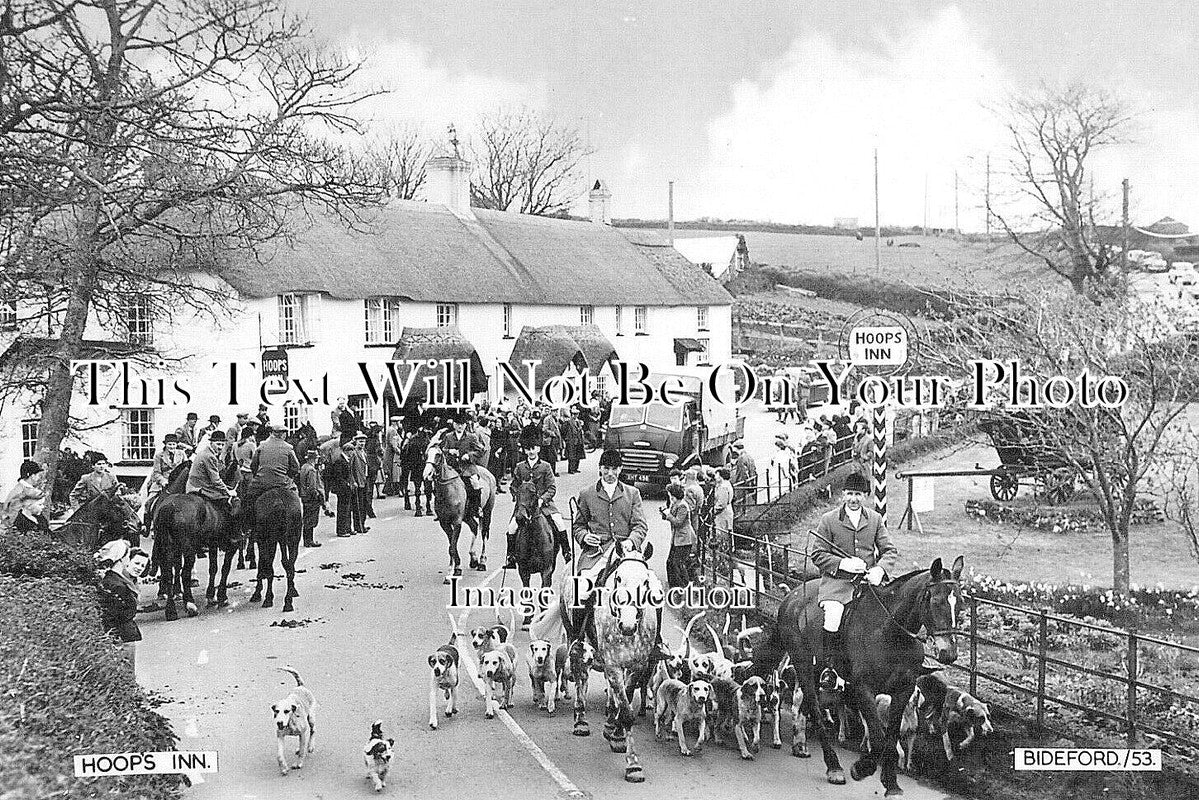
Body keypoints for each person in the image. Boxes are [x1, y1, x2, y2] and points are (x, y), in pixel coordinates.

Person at [530, 448, 649, 647]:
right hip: (597, 555)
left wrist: (630, 541)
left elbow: (640, 526)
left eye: (614, 469)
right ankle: (577, 640)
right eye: (606, 468)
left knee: (650, 588)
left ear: (620, 469)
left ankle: (655, 641)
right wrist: (585, 536)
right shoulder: (587, 494)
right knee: (581, 591)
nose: (610, 473)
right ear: (600, 468)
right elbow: (578, 526)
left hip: (626, 553)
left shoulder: (632, 493)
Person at [810, 471, 898, 690]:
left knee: (893, 610)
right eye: (849, 494)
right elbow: (817, 554)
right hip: (837, 583)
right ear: (843, 494)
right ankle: (829, 668)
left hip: (868, 583)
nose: (853, 499)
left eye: (858, 494)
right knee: (834, 615)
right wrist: (843, 564)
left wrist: (879, 570)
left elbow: (889, 550)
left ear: (865, 496)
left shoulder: (875, 519)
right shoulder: (829, 520)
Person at [506, 424, 569, 569]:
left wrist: (542, 499)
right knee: (512, 527)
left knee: (559, 522)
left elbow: (552, 488)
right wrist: (518, 497)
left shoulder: (546, 466)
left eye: (533, 448)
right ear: (524, 450)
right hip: (524, 506)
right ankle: (511, 556)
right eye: (528, 449)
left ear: (538, 449)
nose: (531, 452)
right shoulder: (520, 467)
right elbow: (514, 485)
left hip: (545, 505)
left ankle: (566, 551)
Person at [96, 539, 149, 677]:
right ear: (122, 559)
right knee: (127, 676)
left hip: (123, 637)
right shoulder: (118, 585)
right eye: (127, 557)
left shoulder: (114, 580)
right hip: (122, 639)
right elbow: (114, 616)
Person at [241, 424, 301, 526]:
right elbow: (296, 468)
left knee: (248, 500)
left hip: (261, 483)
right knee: (295, 501)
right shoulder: (288, 448)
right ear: (284, 435)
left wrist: (259, 475)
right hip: (282, 483)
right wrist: (288, 476)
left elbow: (253, 466)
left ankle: (247, 527)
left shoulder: (261, 446)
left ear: (272, 433)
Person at [185, 431, 237, 536]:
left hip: (196, 484)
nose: (220, 447)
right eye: (218, 444)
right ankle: (229, 534)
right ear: (211, 443)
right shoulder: (209, 456)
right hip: (201, 487)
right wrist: (228, 491)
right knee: (230, 502)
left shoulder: (206, 452)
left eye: (222, 444)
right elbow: (216, 480)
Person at [440, 416, 485, 525]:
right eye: (457, 424)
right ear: (454, 425)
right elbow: (442, 449)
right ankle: (440, 510)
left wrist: (469, 455)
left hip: (467, 467)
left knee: (475, 482)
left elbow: (481, 450)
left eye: (462, 424)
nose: (460, 426)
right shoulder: (448, 436)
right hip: (452, 468)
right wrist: (449, 451)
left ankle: (477, 508)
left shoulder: (471, 437)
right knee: (440, 483)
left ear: (465, 425)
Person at [662, 483, 696, 588]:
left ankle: (683, 585)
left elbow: (678, 522)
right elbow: (670, 517)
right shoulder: (675, 504)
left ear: (674, 495)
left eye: (670, 495)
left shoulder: (683, 505)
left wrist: (668, 515)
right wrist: (664, 513)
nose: (669, 497)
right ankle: (673, 586)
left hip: (683, 539)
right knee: (670, 563)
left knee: (678, 564)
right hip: (676, 539)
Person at [324, 436, 354, 537]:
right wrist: (347, 484)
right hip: (342, 489)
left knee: (347, 509)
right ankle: (341, 530)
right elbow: (338, 476)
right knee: (342, 510)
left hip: (346, 488)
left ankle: (347, 528)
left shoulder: (345, 460)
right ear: (347, 451)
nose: (352, 453)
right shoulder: (340, 461)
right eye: (351, 451)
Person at [3, 459, 46, 527]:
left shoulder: (21, 487)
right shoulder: (23, 490)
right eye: (38, 475)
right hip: (17, 522)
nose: (39, 478)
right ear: (32, 476)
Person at [297, 449, 325, 547]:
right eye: (316, 458)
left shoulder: (304, 467)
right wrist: (317, 496)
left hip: (304, 496)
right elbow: (312, 486)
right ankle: (309, 540)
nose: (317, 460)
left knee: (306, 518)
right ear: (313, 459)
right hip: (311, 498)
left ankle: (307, 541)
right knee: (311, 520)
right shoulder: (311, 470)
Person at [347, 432, 370, 534]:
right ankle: (358, 526)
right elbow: (350, 469)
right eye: (360, 441)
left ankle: (362, 524)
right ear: (356, 442)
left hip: (365, 480)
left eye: (363, 441)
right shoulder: (354, 453)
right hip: (358, 482)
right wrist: (353, 481)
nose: (362, 443)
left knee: (364, 504)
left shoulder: (364, 452)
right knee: (358, 506)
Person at [712, 467, 734, 548]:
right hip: (726, 511)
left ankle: (724, 550)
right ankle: (728, 549)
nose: (715, 477)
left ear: (721, 476)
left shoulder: (723, 487)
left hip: (723, 514)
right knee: (727, 531)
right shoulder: (726, 484)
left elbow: (721, 504)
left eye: (717, 475)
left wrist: (714, 511)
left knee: (723, 532)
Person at [364, 423, 383, 511]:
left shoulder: (369, 439)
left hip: (371, 461)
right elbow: (378, 450)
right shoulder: (375, 440)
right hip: (372, 462)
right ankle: (368, 506)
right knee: (370, 486)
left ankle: (368, 505)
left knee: (369, 485)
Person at [562, 409, 585, 474]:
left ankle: (575, 468)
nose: (575, 416)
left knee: (578, 455)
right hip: (571, 441)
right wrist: (566, 439)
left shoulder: (578, 421)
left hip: (579, 440)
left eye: (576, 414)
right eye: (574, 414)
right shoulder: (568, 422)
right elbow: (563, 431)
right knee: (571, 456)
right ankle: (571, 469)